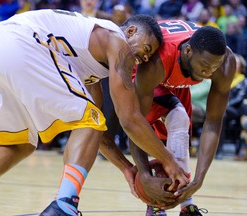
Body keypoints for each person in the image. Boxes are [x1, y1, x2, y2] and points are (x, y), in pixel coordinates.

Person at [0, 9, 189, 216]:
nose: (145, 58)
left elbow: (96, 132)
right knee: (89, 119)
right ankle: (64, 206)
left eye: (149, 56)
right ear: (130, 31)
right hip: (21, 41)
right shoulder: (117, 41)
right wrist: (170, 161)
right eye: (146, 48)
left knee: (18, 144)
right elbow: (129, 118)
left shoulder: (87, 57)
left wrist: (126, 168)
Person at [100, 20, 236, 216]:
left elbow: (213, 123)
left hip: (176, 78)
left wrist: (198, 180)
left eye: (214, 68)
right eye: (205, 66)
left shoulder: (225, 64)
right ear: (188, 51)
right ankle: (155, 204)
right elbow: (137, 121)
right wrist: (144, 175)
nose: (209, 73)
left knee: (179, 135)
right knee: (177, 117)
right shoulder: (156, 61)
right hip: (143, 70)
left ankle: (187, 205)